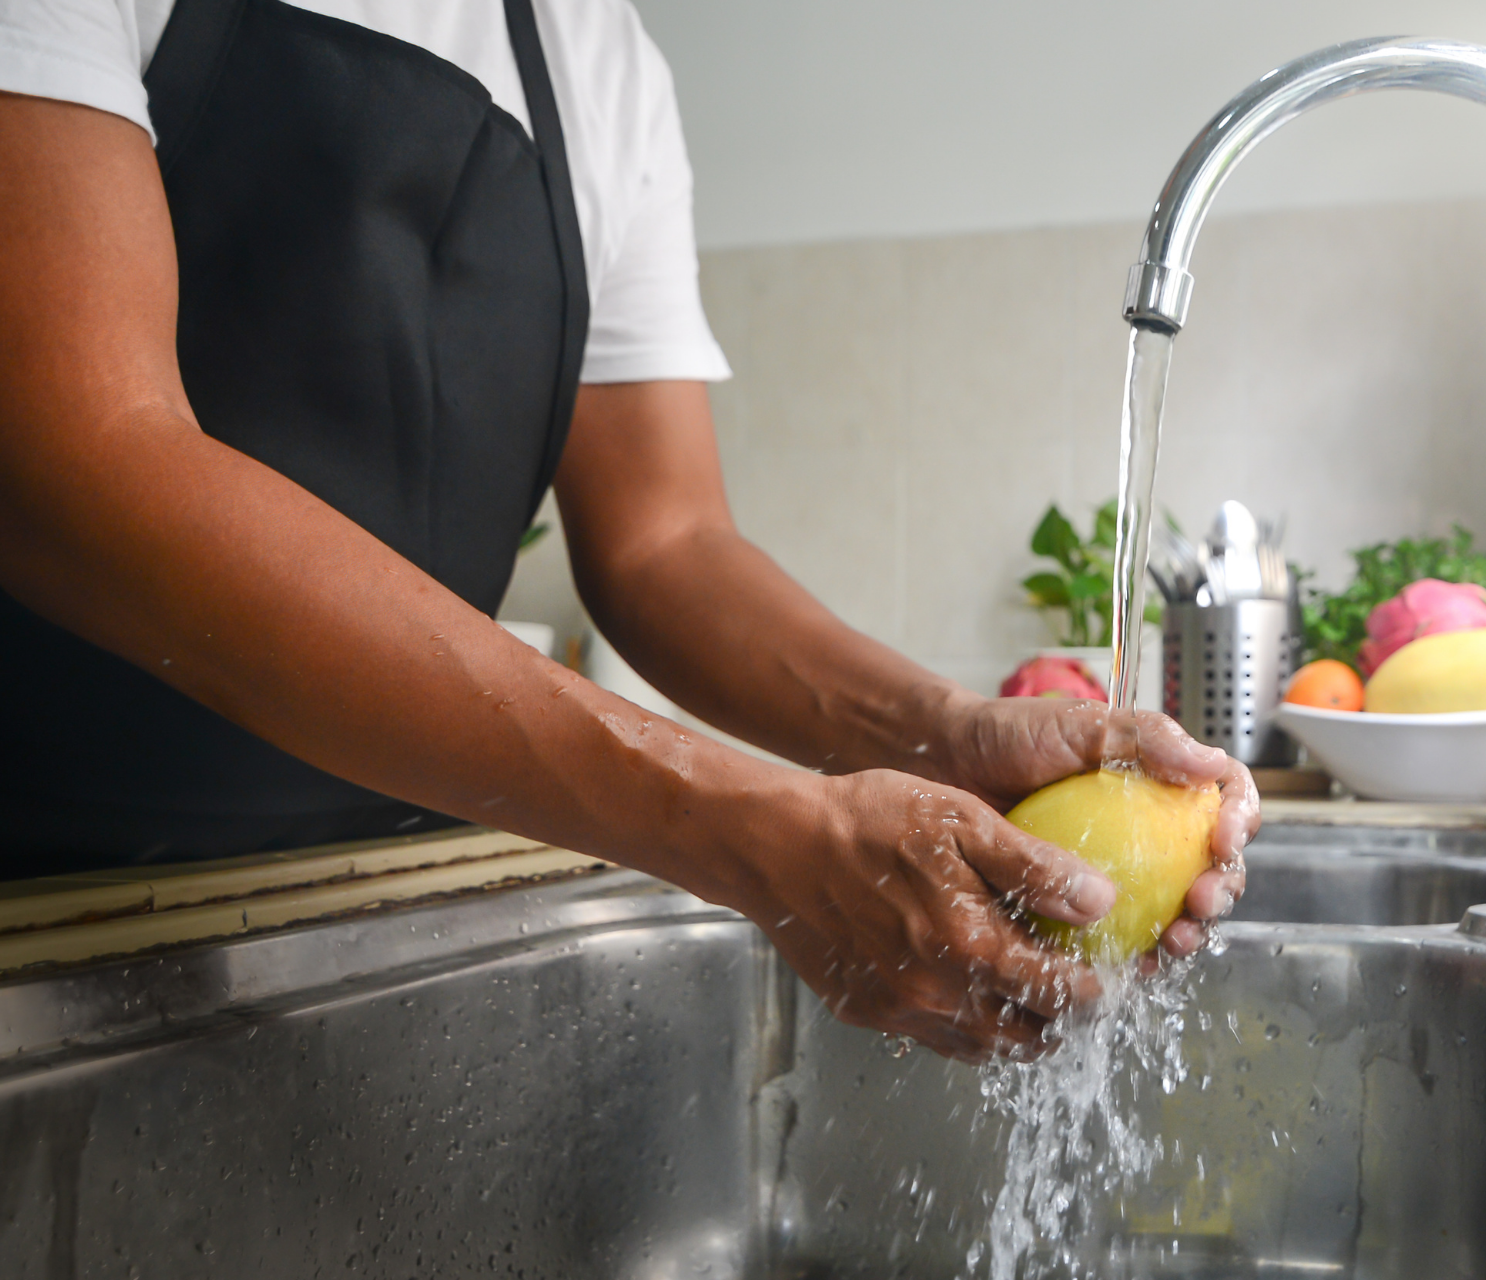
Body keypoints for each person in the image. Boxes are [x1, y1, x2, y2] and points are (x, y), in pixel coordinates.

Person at [0, 0, 1257, 1061]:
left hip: (375, 890)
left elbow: (664, 545)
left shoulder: (591, 50)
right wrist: (749, 826)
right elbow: (78, 455)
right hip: (41, 894)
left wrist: (943, 733)